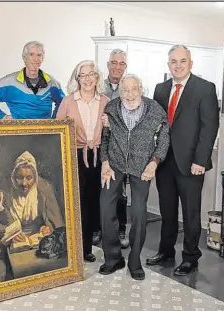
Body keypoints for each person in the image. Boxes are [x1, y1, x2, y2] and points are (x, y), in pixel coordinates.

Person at [145, 45, 220, 276]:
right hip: (165, 161)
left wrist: (200, 160)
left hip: (191, 163)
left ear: (191, 63)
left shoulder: (205, 88)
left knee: (190, 212)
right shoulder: (160, 88)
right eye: (173, 62)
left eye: (182, 61)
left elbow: (210, 127)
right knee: (167, 211)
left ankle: (190, 257)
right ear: (169, 65)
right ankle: (166, 251)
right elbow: (156, 124)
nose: (178, 65)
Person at [98, 74, 170, 281]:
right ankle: (113, 258)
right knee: (106, 207)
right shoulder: (111, 108)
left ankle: (135, 261)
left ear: (141, 89)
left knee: (139, 212)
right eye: (125, 90)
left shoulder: (154, 109)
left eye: (134, 90)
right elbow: (105, 138)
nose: (129, 95)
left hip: (142, 166)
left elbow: (164, 138)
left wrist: (154, 162)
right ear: (120, 92)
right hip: (115, 164)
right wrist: (104, 161)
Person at [56, 60, 109, 262]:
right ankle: (75, 247)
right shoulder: (68, 101)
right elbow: (58, 131)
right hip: (75, 156)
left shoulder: (105, 101)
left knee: (94, 203)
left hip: (99, 156)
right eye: (83, 75)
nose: (87, 79)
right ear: (77, 79)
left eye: (91, 74)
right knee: (77, 203)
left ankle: (86, 247)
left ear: (97, 77)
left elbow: (112, 131)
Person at [0, 41, 65, 119]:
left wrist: (54, 121)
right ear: (24, 58)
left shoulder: (52, 83)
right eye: (31, 55)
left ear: (42, 58)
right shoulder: (9, 82)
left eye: (39, 55)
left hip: (46, 135)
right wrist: (2, 117)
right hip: (19, 134)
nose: (35, 59)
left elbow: (63, 103)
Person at [95, 48, 130, 249]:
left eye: (122, 63)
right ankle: (99, 228)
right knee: (101, 189)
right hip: (99, 145)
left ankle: (121, 229)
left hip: (122, 148)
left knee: (121, 192)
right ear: (108, 64)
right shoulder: (98, 87)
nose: (117, 67)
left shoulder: (131, 87)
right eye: (114, 63)